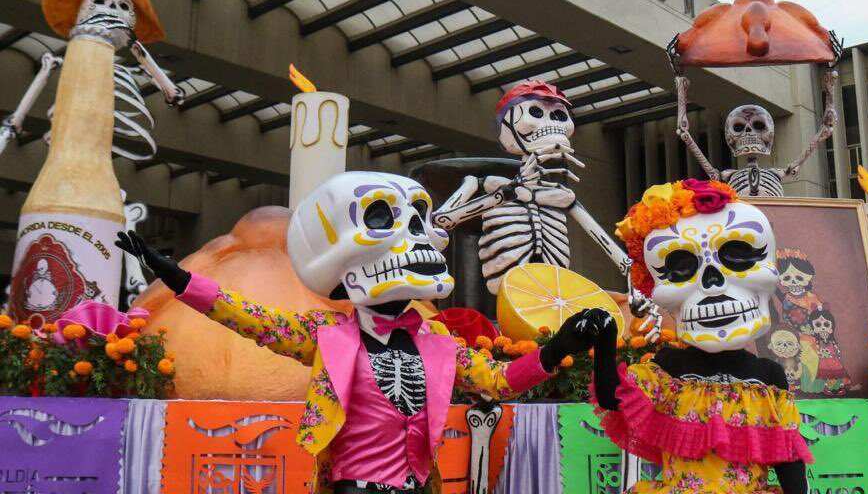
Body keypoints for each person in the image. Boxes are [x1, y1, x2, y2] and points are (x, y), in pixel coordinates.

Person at [118, 171, 612, 494]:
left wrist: (557, 350)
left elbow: (498, 381)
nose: (412, 241)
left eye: (417, 223)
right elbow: (248, 318)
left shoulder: (440, 344)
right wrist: (179, 280)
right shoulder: (326, 333)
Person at [591, 179, 813, 494]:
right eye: (682, 266)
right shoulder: (667, 366)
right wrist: (604, 341)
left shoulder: (768, 376)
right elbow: (612, 398)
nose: (712, 285)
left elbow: (788, 458)